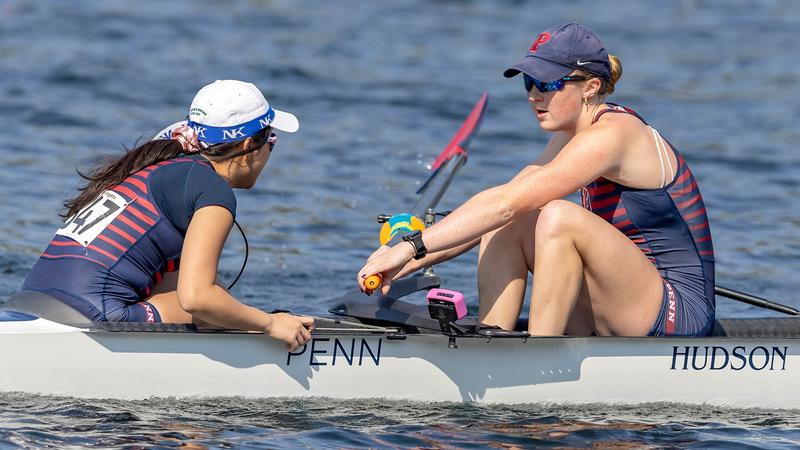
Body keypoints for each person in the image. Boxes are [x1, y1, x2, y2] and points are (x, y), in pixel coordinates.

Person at [357, 23, 715, 337]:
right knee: (509, 220)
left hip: (676, 315)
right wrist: (406, 257)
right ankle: (493, 337)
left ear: (590, 87)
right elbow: (500, 202)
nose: (533, 95)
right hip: (618, 304)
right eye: (530, 82)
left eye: (548, 83)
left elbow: (508, 204)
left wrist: (410, 246)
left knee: (557, 216)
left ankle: (538, 361)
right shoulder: (572, 135)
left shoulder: (615, 134)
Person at [21, 79, 315, 350]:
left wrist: (238, 313)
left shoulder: (156, 166)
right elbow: (196, 298)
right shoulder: (212, 191)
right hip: (90, 315)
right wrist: (268, 323)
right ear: (250, 145)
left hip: (29, 302)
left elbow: (179, 285)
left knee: (213, 298)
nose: (270, 152)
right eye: (271, 141)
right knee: (208, 306)